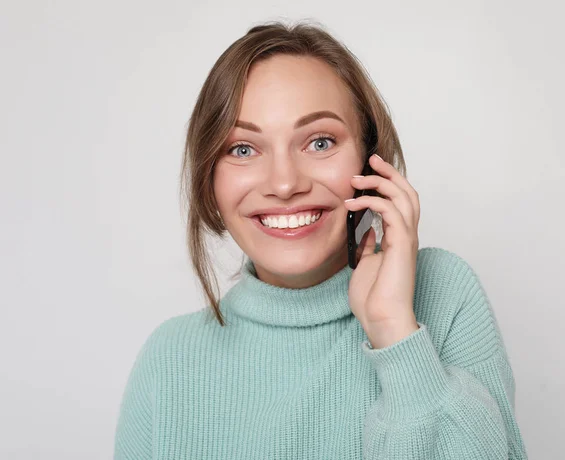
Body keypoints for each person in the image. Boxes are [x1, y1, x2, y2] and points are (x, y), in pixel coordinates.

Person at [114, 20, 528, 459]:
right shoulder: (168, 359)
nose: (285, 183)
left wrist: (395, 333)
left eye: (319, 142)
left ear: (370, 163)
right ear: (209, 182)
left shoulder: (443, 292)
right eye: (242, 149)